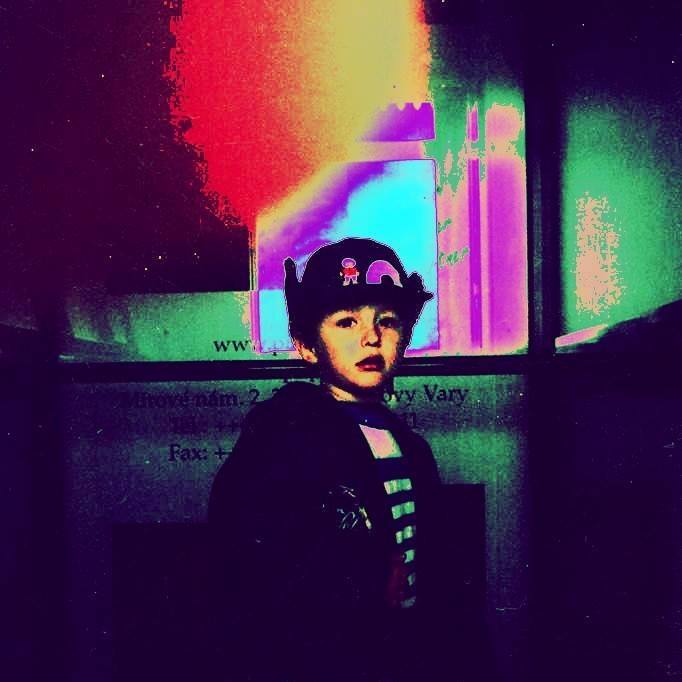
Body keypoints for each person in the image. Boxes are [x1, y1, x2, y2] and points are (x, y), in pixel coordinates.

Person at [207, 238, 449, 682]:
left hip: (400, 649)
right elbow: (250, 557)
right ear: (306, 345)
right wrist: (364, 584)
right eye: (346, 321)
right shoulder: (286, 437)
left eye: (387, 321)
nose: (371, 337)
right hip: (324, 656)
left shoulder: (411, 448)